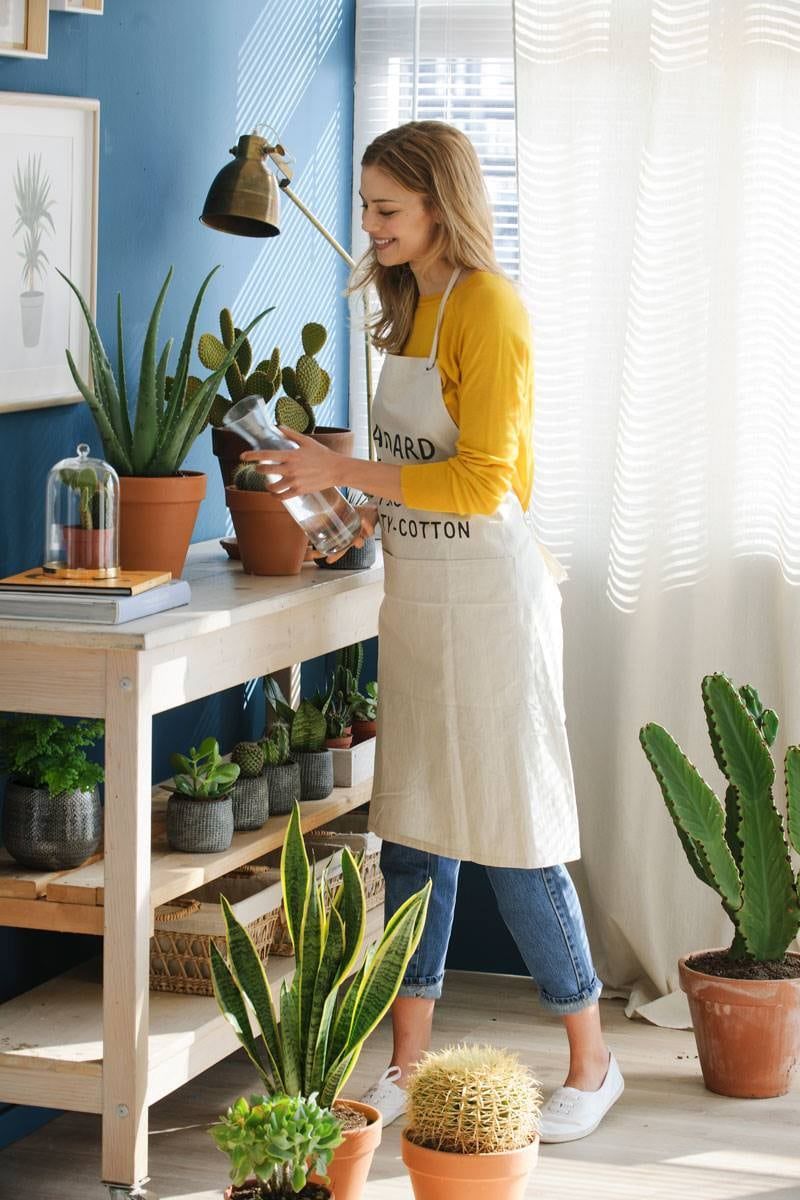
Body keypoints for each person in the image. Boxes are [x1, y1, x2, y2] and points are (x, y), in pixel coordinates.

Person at [243, 120, 623, 1143]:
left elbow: (483, 480)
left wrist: (342, 468)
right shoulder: (406, 304)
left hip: (491, 605)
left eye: (386, 209)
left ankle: (592, 1064)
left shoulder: (487, 307)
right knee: (412, 839)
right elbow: (413, 471)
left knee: (514, 837)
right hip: (415, 600)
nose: (369, 226)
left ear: (440, 206)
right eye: (365, 207)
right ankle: (407, 1063)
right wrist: (344, 510)